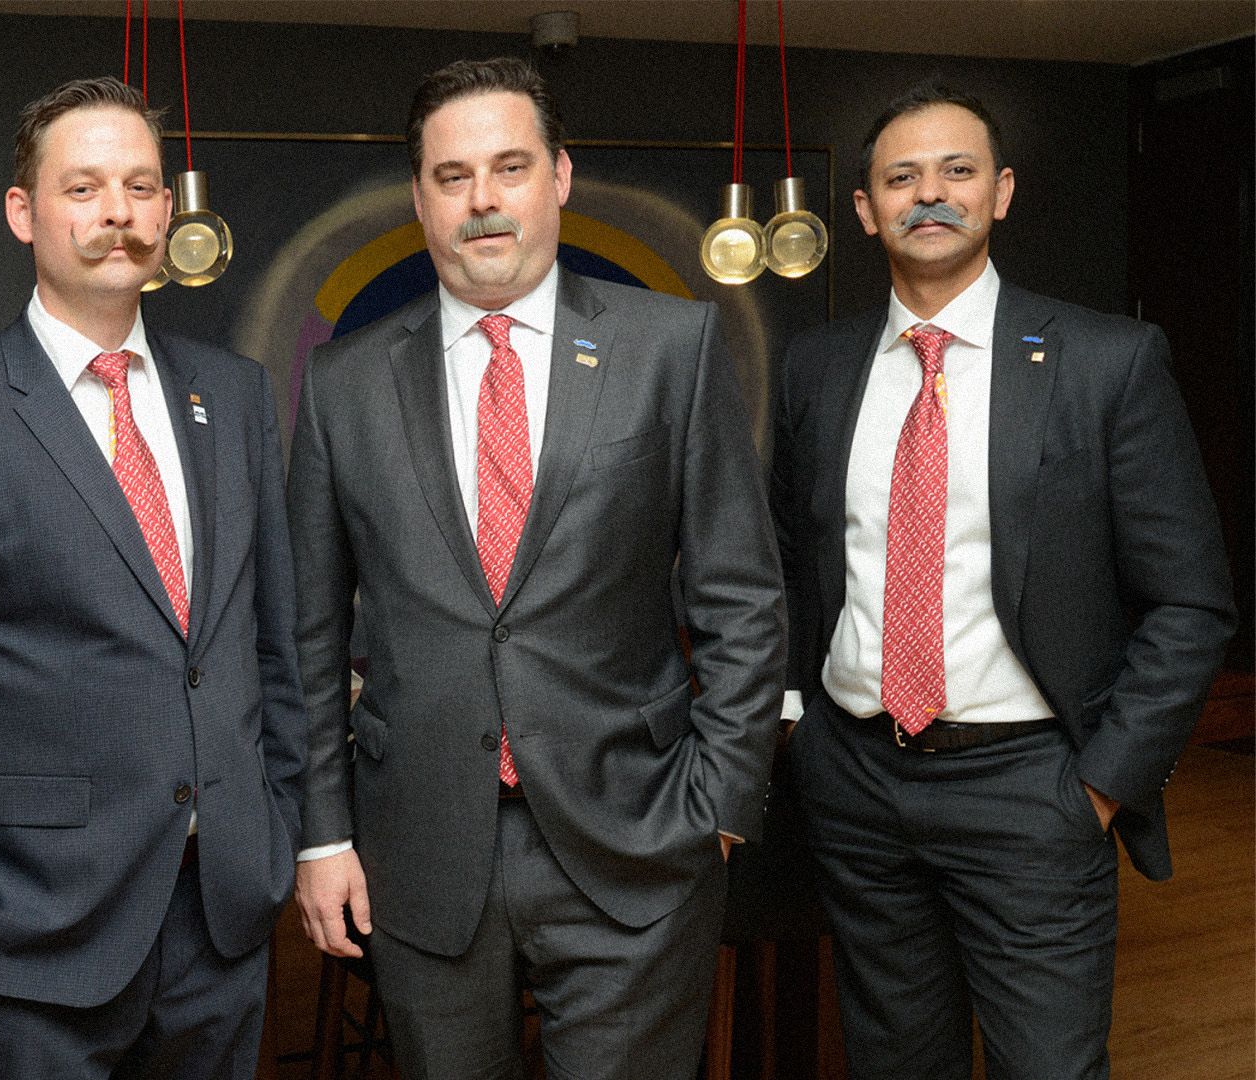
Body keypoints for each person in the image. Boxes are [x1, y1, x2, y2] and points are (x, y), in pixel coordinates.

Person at [287, 57, 785, 1079]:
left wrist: (720, 805)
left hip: (639, 841)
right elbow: (307, 634)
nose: (483, 199)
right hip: (419, 853)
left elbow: (740, 594)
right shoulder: (342, 383)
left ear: (558, 176)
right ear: (420, 197)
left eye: (509, 167)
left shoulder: (671, 347)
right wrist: (322, 835)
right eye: (453, 175)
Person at [769, 84, 1236, 1080]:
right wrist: (799, 726)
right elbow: (786, 561)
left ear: (1002, 192)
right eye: (902, 178)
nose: (930, 195)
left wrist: (1101, 785)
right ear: (866, 209)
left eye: (957, 171)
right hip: (853, 784)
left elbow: (1192, 601)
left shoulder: (1107, 361)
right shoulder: (816, 366)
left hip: (1032, 788)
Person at [0, 76, 304, 1079]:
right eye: (84, 188)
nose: (117, 214)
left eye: (140, 188)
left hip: (221, 918)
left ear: (168, 211)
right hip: (27, 939)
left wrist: (280, 833)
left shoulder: (234, 398)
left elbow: (273, 645)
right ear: (24, 212)